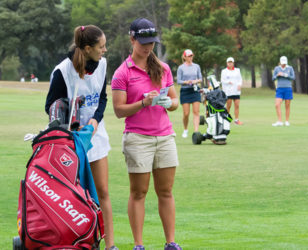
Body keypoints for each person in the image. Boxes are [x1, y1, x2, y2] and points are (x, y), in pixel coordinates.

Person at [44, 25, 117, 250]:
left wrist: (95, 120)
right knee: (75, 194)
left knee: (102, 192)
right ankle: (81, 242)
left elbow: (103, 98)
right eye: (101, 46)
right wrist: (71, 114)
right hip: (69, 142)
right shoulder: (62, 71)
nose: (104, 50)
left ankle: (110, 245)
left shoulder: (102, 64)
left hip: (95, 136)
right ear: (87, 48)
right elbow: (50, 107)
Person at [111, 18, 182, 250]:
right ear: (132, 39)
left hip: (164, 136)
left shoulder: (163, 68)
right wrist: (143, 102)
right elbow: (119, 111)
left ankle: (170, 242)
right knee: (139, 192)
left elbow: (175, 102)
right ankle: (138, 245)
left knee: (166, 191)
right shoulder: (123, 72)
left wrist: (167, 103)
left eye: (151, 42)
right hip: (138, 138)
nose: (148, 47)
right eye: (143, 42)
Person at [176, 49, 202, 138]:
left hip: (195, 90)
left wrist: (195, 81)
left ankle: (196, 132)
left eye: (191, 55)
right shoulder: (181, 68)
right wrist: (187, 82)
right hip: (185, 91)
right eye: (189, 56)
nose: (190, 57)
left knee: (196, 112)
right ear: (184, 57)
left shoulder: (197, 66)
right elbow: (179, 81)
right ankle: (185, 129)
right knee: (186, 113)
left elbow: (200, 78)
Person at [271, 56, 295, 126]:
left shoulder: (290, 68)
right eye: (282, 63)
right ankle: (279, 121)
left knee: (287, 105)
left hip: (288, 88)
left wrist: (285, 75)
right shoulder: (277, 68)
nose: (283, 64)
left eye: (284, 63)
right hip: (279, 88)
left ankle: (287, 121)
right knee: (277, 104)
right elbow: (273, 78)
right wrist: (277, 75)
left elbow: (293, 77)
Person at [221, 57, 243, 125]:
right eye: (229, 62)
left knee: (237, 105)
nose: (230, 64)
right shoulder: (224, 71)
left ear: (233, 63)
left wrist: (239, 85)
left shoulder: (237, 70)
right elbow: (222, 80)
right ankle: (226, 119)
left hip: (236, 91)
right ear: (227, 63)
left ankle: (236, 120)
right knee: (228, 106)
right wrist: (228, 82)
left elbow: (240, 79)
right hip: (228, 91)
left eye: (231, 62)